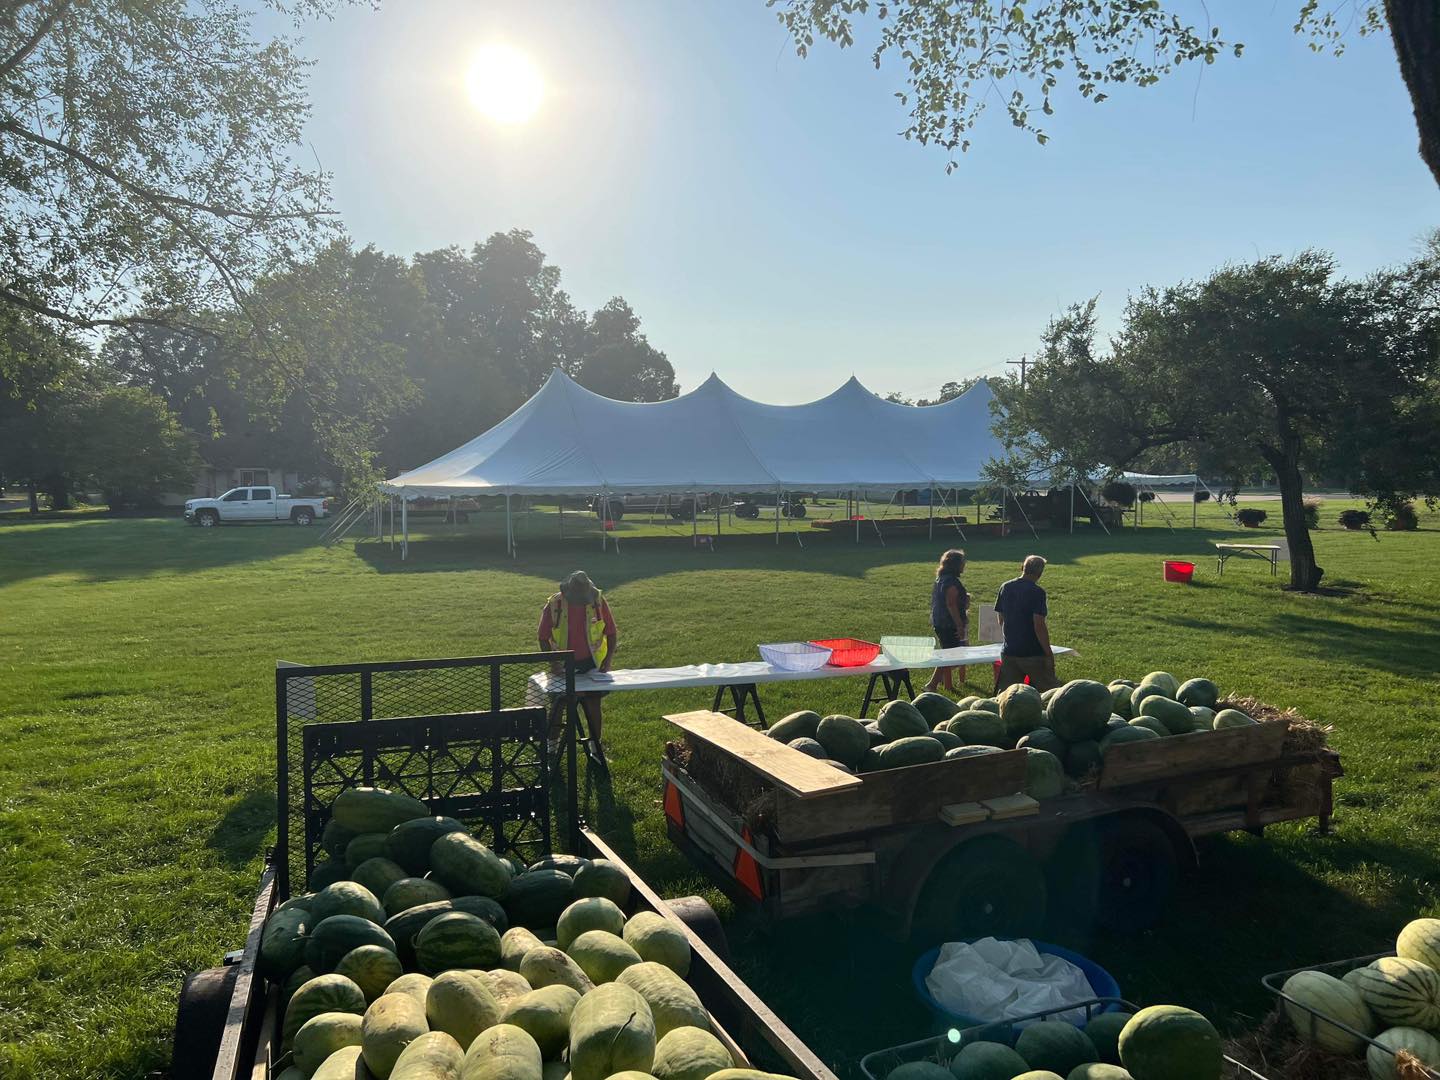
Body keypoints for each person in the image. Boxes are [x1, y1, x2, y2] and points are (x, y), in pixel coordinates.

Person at [538, 570, 618, 759]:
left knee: (593, 705)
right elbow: (543, 637)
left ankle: (595, 749)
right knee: (558, 705)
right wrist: (554, 662)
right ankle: (551, 749)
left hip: (591, 663)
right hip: (563, 664)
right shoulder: (555, 604)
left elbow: (612, 633)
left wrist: (607, 661)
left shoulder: (598, 600)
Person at [994, 554, 1060, 692]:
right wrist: (1048, 653)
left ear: (1022, 567)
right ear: (1040, 573)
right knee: (1049, 692)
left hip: (1009, 651)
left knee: (1007, 694)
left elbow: (1001, 618)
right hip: (1032, 653)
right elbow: (1039, 625)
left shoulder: (1005, 587)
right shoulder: (1037, 592)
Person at [924, 548, 970, 692]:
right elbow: (951, 604)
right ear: (956, 565)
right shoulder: (951, 581)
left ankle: (937, 682)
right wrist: (959, 625)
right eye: (963, 562)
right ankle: (932, 685)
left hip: (940, 621)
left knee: (949, 654)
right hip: (948, 623)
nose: (964, 565)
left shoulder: (942, 579)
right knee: (953, 656)